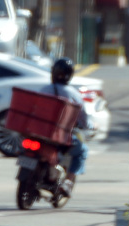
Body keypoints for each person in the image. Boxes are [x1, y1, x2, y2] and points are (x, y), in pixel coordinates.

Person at [39, 57, 94, 197]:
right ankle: (68, 182)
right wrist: (89, 126)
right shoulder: (73, 94)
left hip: (39, 133)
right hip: (60, 137)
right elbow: (84, 118)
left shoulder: (43, 89)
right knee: (82, 151)